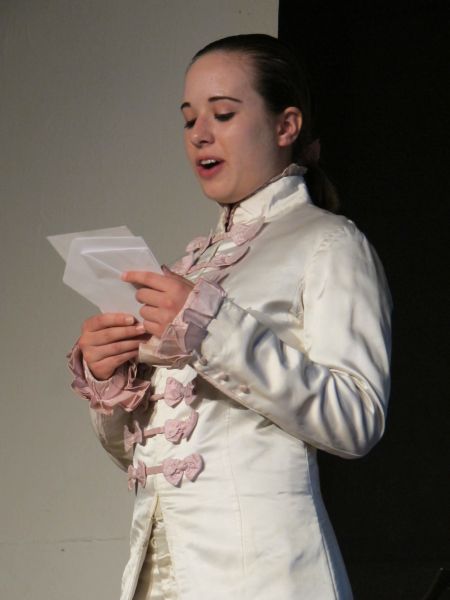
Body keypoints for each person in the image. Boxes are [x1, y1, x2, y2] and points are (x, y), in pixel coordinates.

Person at [68, 34, 392, 600]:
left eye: (222, 114)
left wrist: (210, 327)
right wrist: (109, 376)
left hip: (264, 577)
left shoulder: (329, 242)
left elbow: (356, 418)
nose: (199, 133)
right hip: (160, 575)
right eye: (189, 119)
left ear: (286, 126)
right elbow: (153, 454)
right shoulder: (192, 266)